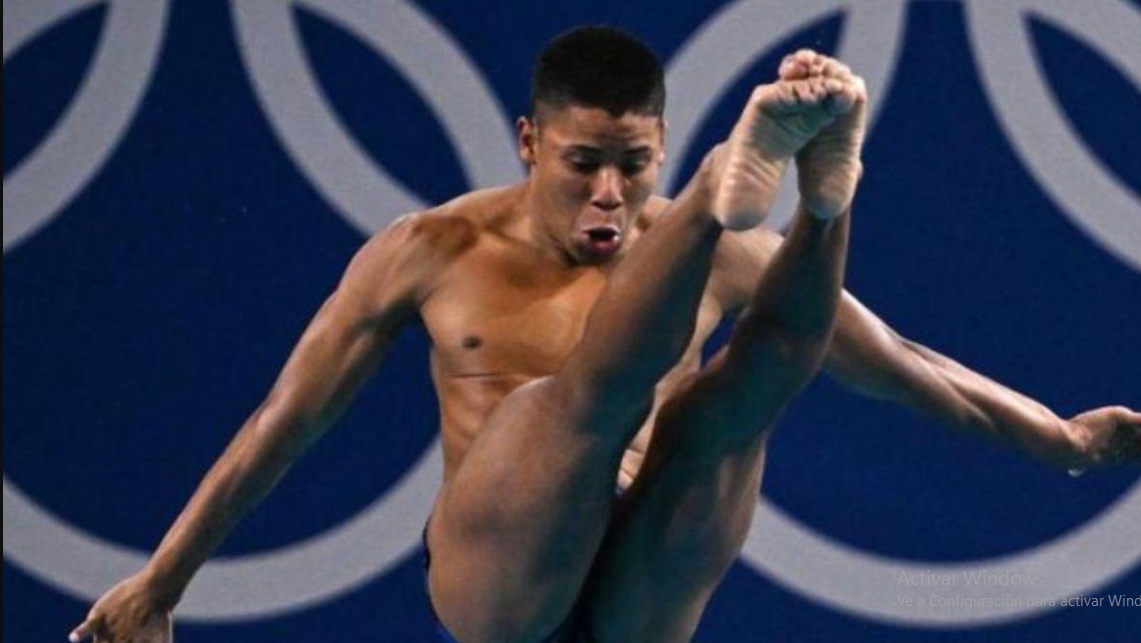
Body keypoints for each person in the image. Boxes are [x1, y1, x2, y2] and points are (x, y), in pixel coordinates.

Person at [70, 27, 1138, 643]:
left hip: (643, 591)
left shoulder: (719, 256)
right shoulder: (429, 250)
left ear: (661, 143)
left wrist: (1060, 439)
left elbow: (904, 366)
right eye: (582, 163)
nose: (610, 194)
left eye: (635, 164)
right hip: (501, 585)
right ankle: (729, 188)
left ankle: (826, 198)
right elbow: (287, 417)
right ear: (529, 141)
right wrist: (162, 583)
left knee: (750, 389)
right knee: (568, 402)